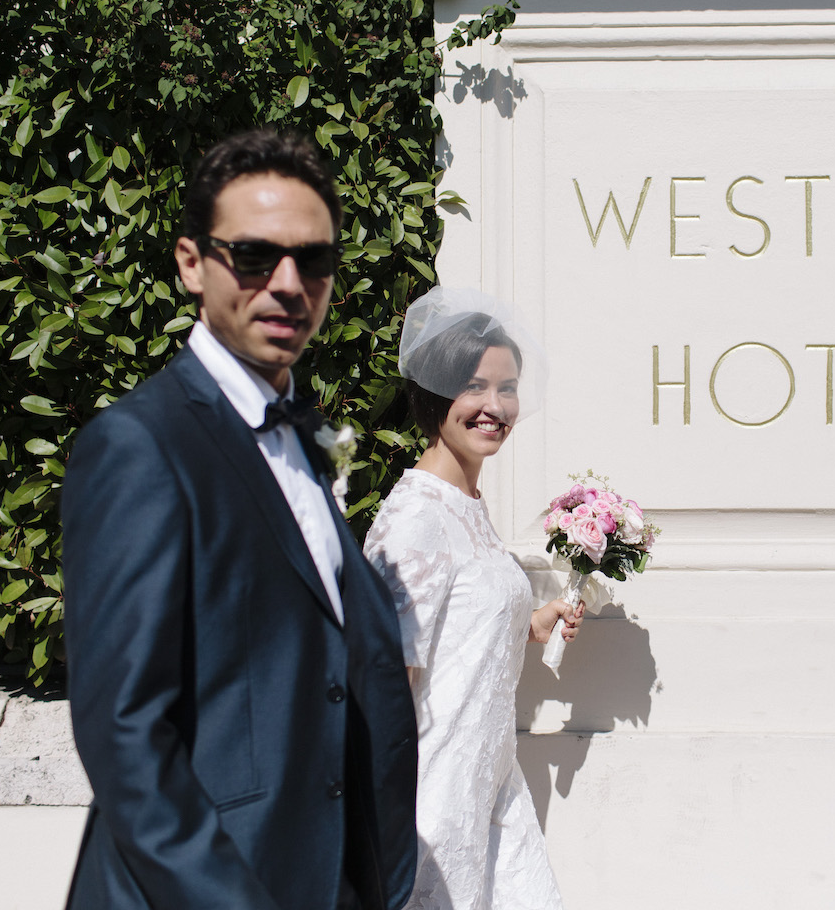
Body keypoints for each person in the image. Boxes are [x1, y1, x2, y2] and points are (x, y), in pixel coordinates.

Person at [61, 129, 417, 910]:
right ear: (192, 262)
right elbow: (126, 734)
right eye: (253, 256)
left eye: (313, 259)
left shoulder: (303, 433)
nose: (288, 284)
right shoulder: (140, 446)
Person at [364, 287, 582, 910]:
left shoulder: (469, 507)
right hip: (431, 798)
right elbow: (385, 676)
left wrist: (534, 620)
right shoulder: (415, 518)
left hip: (491, 781)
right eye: (475, 387)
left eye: (507, 387)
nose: (495, 406)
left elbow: (462, 629)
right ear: (436, 394)